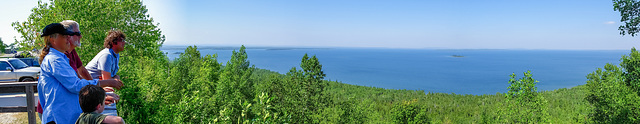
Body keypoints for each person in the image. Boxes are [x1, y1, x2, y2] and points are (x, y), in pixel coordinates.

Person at [37, 23, 123, 124]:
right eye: (64, 36)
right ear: (53, 39)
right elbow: (76, 86)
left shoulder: (60, 59)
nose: (67, 38)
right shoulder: (54, 60)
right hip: (60, 118)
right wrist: (105, 83)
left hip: (66, 116)